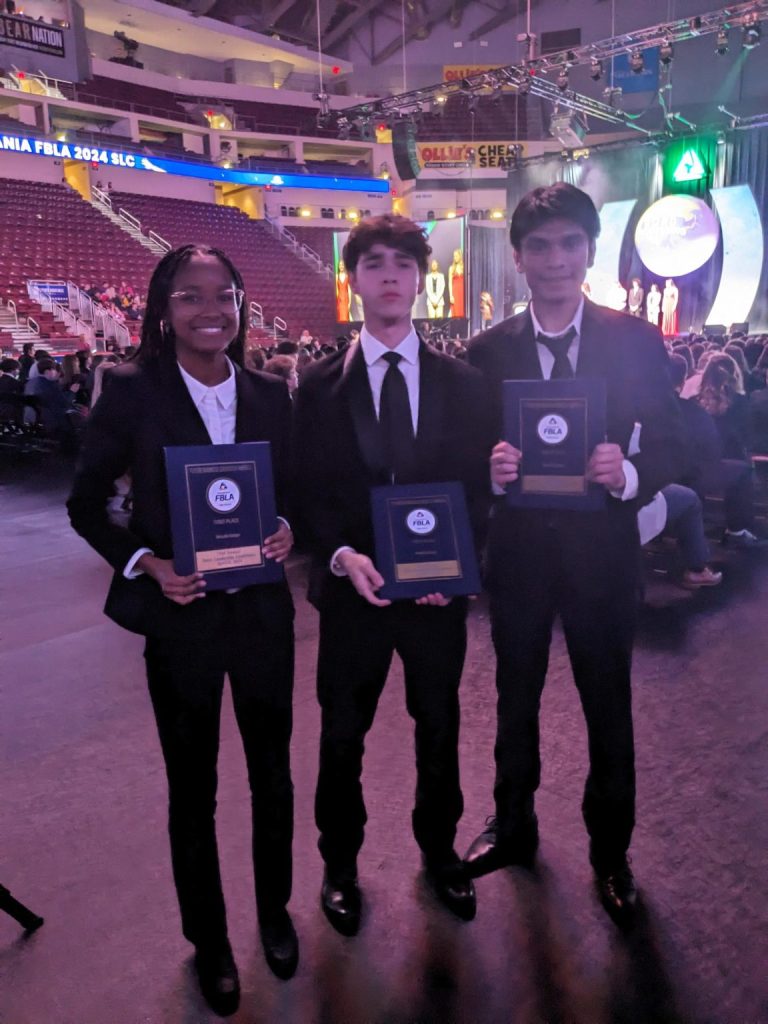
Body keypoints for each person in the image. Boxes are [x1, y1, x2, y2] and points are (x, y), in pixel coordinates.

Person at [67, 243, 298, 1014]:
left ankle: (274, 912)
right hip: (183, 618)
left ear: (241, 305)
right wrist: (147, 562)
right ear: (163, 310)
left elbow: (291, 489)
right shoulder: (131, 391)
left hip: (263, 613)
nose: (210, 312)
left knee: (273, 773)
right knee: (191, 788)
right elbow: (85, 503)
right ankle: (212, 940)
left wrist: (288, 528)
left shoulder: (270, 391)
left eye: (223, 296)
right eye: (191, 297)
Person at [465, 183, 685, 924]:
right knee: (514, 700)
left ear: (589, 252)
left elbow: (673, 439)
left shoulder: (634, 340)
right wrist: (487, 470)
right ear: (519, 259)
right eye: (539, 247)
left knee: (608, 706)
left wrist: (626, 473)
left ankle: (611, 852)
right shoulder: (485, 352)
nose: (555, 260)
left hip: (602, 557)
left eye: (569, 244)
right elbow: (464, 455)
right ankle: (513, 824)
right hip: (521, 557)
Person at [292, 214, 492, 935]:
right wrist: (342, 557)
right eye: (373, 263)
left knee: (438, 729)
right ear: (354, 280)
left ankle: (440, 854)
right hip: (352, 594)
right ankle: (339, 865)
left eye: (402, 264)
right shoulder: (315, 388)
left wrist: (457, 566)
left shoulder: (463, 383)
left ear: (419, 280)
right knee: (341, 736)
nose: (388, 275)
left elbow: (476, 488)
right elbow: (303, 491)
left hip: (436, 595)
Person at [448, 248, 465, 318]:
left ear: (460, 256)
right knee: (455, 310)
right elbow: (449, 283)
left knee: (462, 310)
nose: (455, 258)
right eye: (454, 256)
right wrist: (451, 295)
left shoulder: (464, 267)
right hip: (455, 292)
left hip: (462, 292)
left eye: (456, 256)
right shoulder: (451, 268)